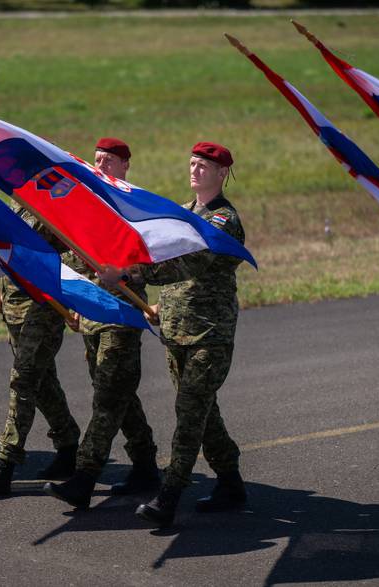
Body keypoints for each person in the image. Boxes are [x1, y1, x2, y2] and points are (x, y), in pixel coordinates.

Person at [118, 142, 248, 527]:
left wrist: (134, 273)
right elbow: (161, 254)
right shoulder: (183, 212)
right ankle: (231, 482)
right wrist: (160, 303)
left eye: (204, 165)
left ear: (222, 173)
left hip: (209, 333)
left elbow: (189, 263)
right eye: (192, 163)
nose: (195, 170)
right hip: (177, 329)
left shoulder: (223, 220)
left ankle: (170, 496)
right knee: (203, 413)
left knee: (189, 414)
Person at [44, 138, 159, 509]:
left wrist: (125, 273)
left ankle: (85, 476)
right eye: (97, 160)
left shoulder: (132, 208)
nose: (102, 166)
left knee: (107, 399)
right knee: (120, 395)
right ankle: (145, 465)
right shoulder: (87, 207)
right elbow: (78, 260)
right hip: (94, 317)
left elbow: (152, 259)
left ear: (125, 165)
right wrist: (74, 300)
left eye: (109, 160)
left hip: (122, 316)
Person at [0, 208, 81, 495]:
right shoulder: (16, 202)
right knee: (42, 382)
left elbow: (74, 251)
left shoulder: (54, 201)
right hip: (15, 305)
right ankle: (68, 444)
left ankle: (5, 462)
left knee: (24, 379)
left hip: (46, 304)